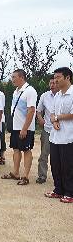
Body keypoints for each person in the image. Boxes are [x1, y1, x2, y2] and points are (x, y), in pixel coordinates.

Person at [4, 69, 37, 185]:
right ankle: (15, 172)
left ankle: (25, 176)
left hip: (26, 128)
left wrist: (24, 128)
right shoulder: (16, 91)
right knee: (16, 149)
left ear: (21, 77)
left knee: (26, 150)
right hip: (15, 126)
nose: (12, 79)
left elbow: (31, 110)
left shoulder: (30, 91)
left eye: (14, 77)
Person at [46, 67, 73, 203]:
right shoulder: (57, 95)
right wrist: (54, 119)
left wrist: (57, 117)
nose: (55, 80)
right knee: (55, 164)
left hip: (69, 136)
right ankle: (58, 190)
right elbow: (51, 113)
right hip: (55, 136)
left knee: (68, 165)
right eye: (54, 77)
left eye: (58, 77)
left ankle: (69, 192)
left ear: (67, 78)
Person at [35, 77, 57, 184]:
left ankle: (59, 178)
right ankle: (42, 175)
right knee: (44, 154)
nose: (52, 85)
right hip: (47, 129)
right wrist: (40, 119)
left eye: (54, 83)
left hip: (62, 131)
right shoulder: (44, 96)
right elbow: (38, 111)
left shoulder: (65, 95)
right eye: (51, 83)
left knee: (60, 156)